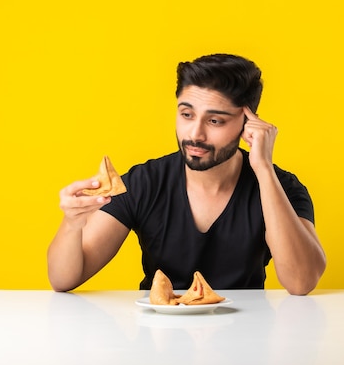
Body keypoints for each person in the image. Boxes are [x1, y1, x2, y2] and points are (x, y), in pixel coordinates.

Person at [47, 53, 326, 295]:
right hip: (157, 335)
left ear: (248, 123)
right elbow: (64, 279)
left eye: (215, 120)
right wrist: (72, 224)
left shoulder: (281, 187)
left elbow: (301, 282)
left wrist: (264, 169)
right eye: (187, 114)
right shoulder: (145, 183)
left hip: (247, 338)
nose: (195, 134)